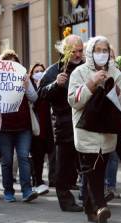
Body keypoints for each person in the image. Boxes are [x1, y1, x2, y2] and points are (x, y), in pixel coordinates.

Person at [68, 35, 121, 223]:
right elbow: (73, 101)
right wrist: (92, 82)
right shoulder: (79, 72)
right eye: (98, 50)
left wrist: (116, 89)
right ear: (90, 52)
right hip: (86, 131)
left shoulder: (115, 71)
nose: (102, 54)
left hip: (108, 132)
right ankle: (101, 205)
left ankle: (91, 211)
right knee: (92, 170)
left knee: (95, 172)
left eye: (105, 50)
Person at [38, 34, 84, 212]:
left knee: (87, 162)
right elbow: (41, 94)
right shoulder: (54, 70)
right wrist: (55, 84)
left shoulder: (86, 67)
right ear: (65, 51)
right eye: (74, 51)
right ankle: (65, 200)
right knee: (64, 166)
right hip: (64, 125)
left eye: (80, 51)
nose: (78, 55)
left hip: (85, 122)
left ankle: (90, 195)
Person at [0, 50, 39, 202]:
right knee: (7, 160)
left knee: (23, 157)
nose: (11, 66)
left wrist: (27, 85)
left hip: (23, 126)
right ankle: (8, 191)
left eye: (14, 63)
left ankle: (27, 190)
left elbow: (34, 98)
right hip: (4, 128)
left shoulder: (24, 78)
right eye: (8, 64)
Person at [29, 62, 54, 195]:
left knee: (49, 154)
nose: (39, 73)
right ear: (31, 74)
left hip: (47, 126)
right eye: (36, 71)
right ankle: (37, 181)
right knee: (37, 157)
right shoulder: (30, 87)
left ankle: (50, 179)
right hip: (35, 127)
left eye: (41, 71)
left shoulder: (47, 86)